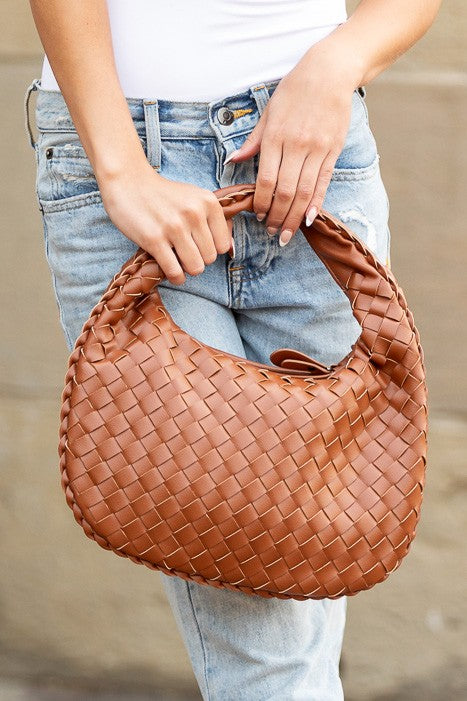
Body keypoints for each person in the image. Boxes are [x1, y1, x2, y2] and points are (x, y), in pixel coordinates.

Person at [24, 1, 442, 698]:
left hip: (312, 164)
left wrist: (335, 64)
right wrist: (120, 169)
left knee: (304, 587)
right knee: (266, 640)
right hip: (129, 169)